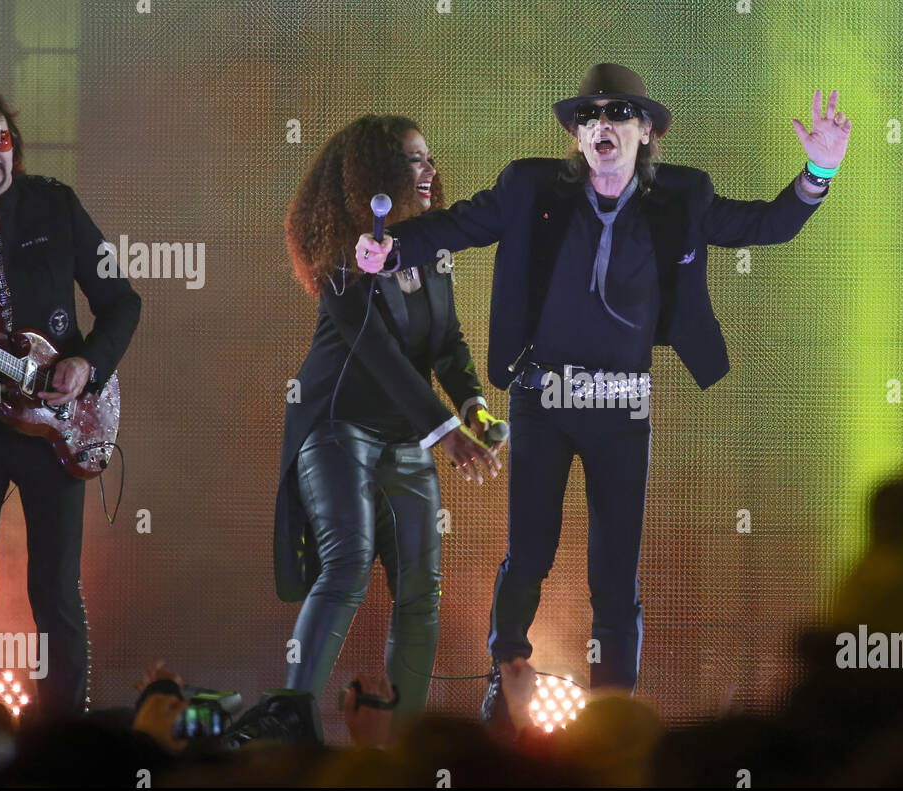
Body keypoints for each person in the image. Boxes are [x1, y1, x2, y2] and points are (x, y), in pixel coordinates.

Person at [354, 63, 851, 731]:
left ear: (646, 130)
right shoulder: (530, 187)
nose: (602, 125)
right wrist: (387, 251)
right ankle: (507, 677)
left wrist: (818, 172)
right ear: (577, 135)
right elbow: (454, 228)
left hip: (622, 409)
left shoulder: (683, 196)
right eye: (589, 116)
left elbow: (764, 224)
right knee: (531, 548)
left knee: (615, 572)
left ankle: (616, 714)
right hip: (543, 400)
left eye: (618, 113)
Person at [274, 115, 501, 730]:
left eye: (429, 159)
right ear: (374, 175)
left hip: (407, 432)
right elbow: (378, 351)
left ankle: (407, 743)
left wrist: (473, 407)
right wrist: (445, 434)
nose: (429, 172)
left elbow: (447, 343)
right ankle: (295, 724)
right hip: (335, 425)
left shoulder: (430, 249)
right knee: (347, 563)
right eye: (412, 161)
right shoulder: (344, 257)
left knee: (421, 591)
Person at [0, 88, 141, 716]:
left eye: (0, 137)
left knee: (54, 590)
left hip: (61, 420)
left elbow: (122, 300)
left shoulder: (56, 205)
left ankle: (65, 741)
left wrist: (88, 364)